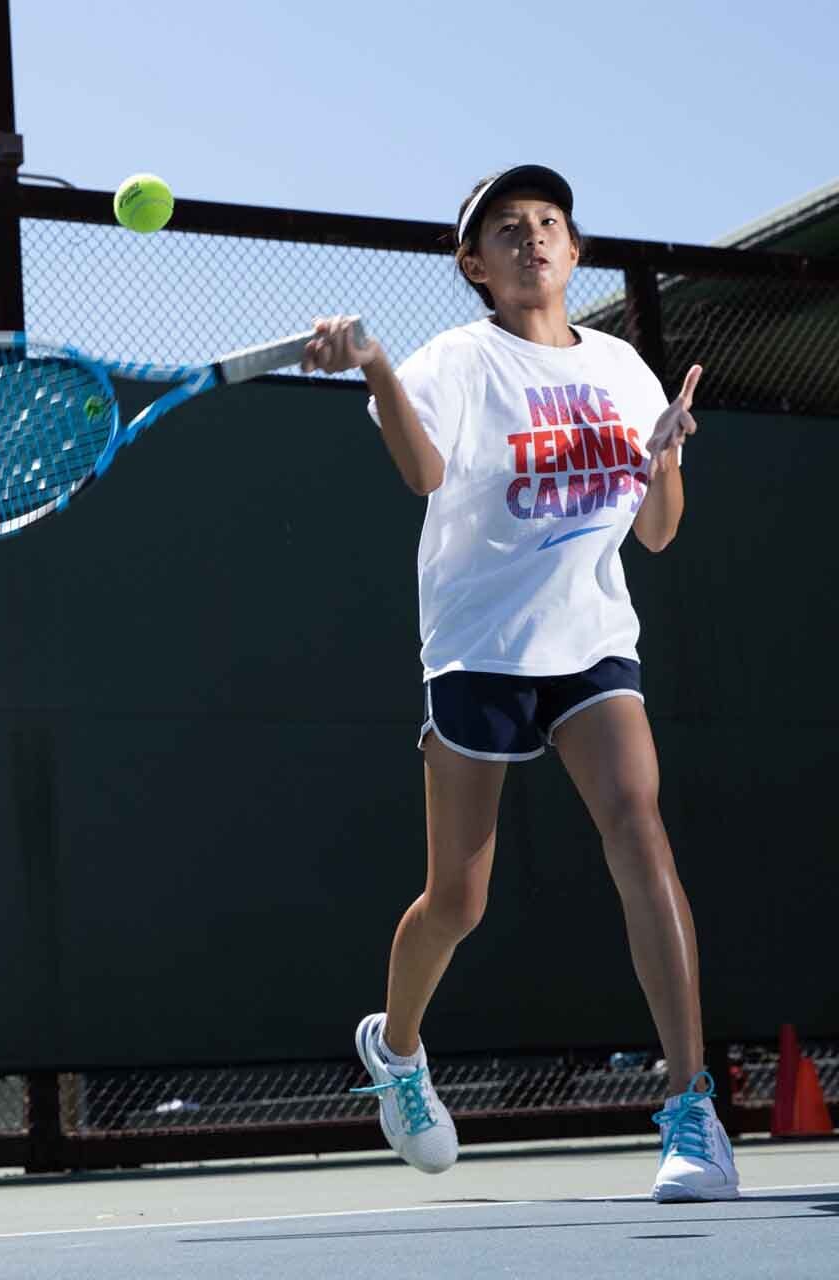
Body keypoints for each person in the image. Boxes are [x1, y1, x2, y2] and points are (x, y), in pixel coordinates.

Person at [301, 165, 740, 1203]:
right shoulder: (457, 359)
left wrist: (666, 458)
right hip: (479, 649)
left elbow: (658, 533)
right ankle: (398, 1050)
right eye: (508, 228)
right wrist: (370, 364)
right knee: (456, 897)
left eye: (549, 223)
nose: (533, 237)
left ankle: (691, 1107)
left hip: (591, 642)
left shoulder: (626, 370)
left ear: (574, 251)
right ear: (474, 264)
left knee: (640, 829)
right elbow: (420, 472)